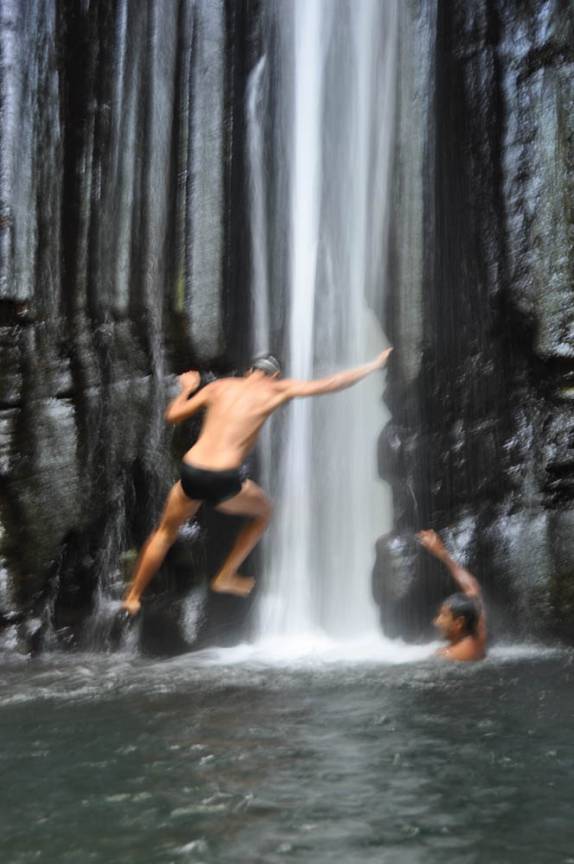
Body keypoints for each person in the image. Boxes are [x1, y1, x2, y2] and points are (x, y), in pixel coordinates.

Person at [122, 349, 392, 615]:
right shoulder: (277, 390)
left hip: (192, 469)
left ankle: (132, 598)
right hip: (223, 478)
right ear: (274, 375)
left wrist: (187, 388)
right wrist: (372, 365)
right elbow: (332, 384)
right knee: (264, 511)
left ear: (249, 371)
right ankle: (226, 575)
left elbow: (172, 416)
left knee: (165, 532)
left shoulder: (219, 387)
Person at [417, 529, 487, 661]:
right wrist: (442, 553)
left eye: (443, 615)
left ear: (458, 622)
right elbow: (472, 586)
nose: (436, 621)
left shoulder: (449, 657)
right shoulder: (479, 638)